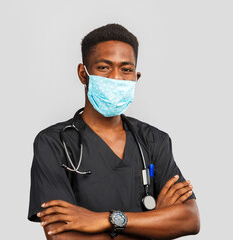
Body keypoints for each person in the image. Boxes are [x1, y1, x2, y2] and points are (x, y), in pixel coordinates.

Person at [27, 23, 200, 239]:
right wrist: (155, 223)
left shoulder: (154, 140)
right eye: (104, 67)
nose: (116, 78)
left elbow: (190, 219)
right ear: (83, 74)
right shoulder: (53, 143)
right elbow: (62, 236)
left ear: (136, 77)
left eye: (126, 69)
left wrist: (104, 219)